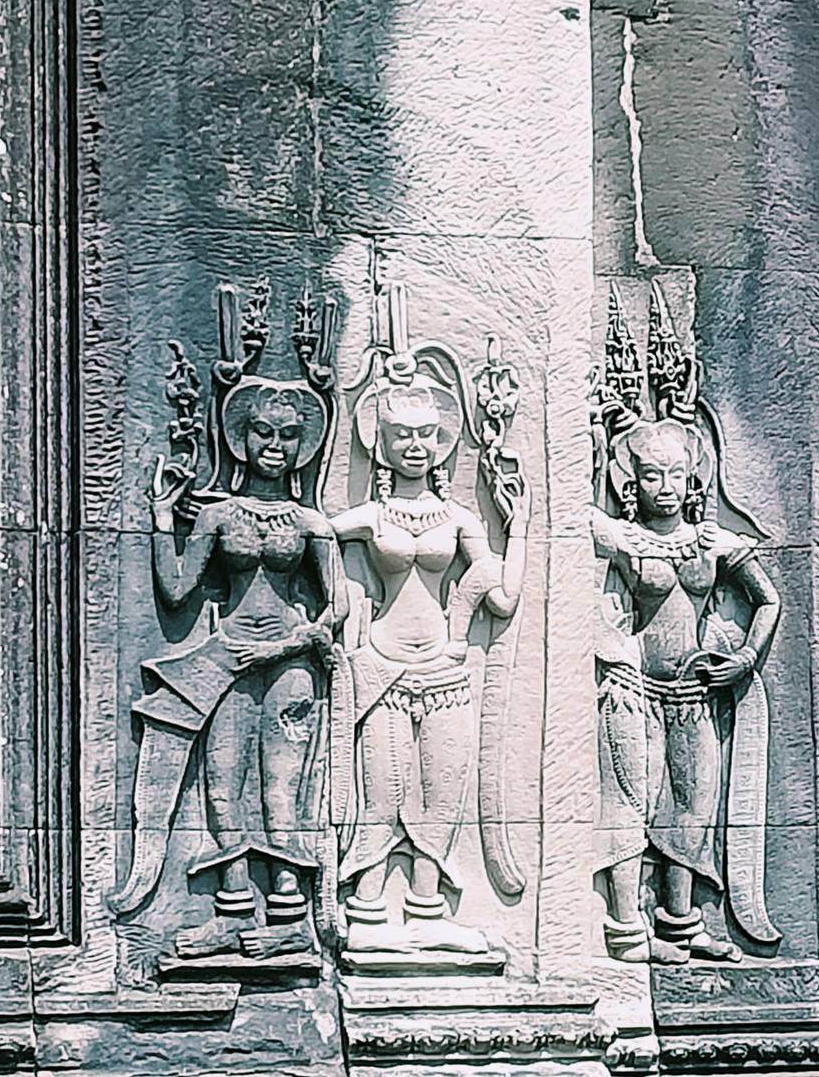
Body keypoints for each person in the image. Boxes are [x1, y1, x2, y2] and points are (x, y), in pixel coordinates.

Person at [109, 377, 347, 961]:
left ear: (303, 445)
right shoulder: (217, 515)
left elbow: (336, 606)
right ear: (241, 438)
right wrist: (162, 517)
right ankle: (233, 910)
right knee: (222, 789)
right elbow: (176, 590)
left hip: (287, 662)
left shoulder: (309, 523)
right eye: (263, 432)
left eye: (288, 435)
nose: (275, 446)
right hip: (226, 657)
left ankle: (289, 916)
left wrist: (287, 644)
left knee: (281, 792)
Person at [331, 364, 528, 953]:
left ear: (441, 442)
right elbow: (316, 534)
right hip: (383, 665)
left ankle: (426, 911)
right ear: (382, 444)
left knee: (442, 794)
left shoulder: (460, 520)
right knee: (382, 794)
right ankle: (367, 912)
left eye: (425, 434)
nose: (414, 446)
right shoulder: (372, 517)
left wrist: (518, 529)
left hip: (446, 669)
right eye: (401, 435)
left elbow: (502, 596)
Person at [592, 417, 780, 963]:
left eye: (676, 474)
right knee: (632, 802)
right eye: (652, 475)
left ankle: (680, 922)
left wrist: (744, 658)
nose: (666, 487)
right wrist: (595, 443)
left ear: (693, 479)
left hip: (695, 692)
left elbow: (767, 600)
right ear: (633, 482)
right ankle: (627, 926)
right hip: (635, 691)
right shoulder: (626, 540)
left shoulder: (713, 542)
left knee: (692, 810)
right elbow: (574, 520)